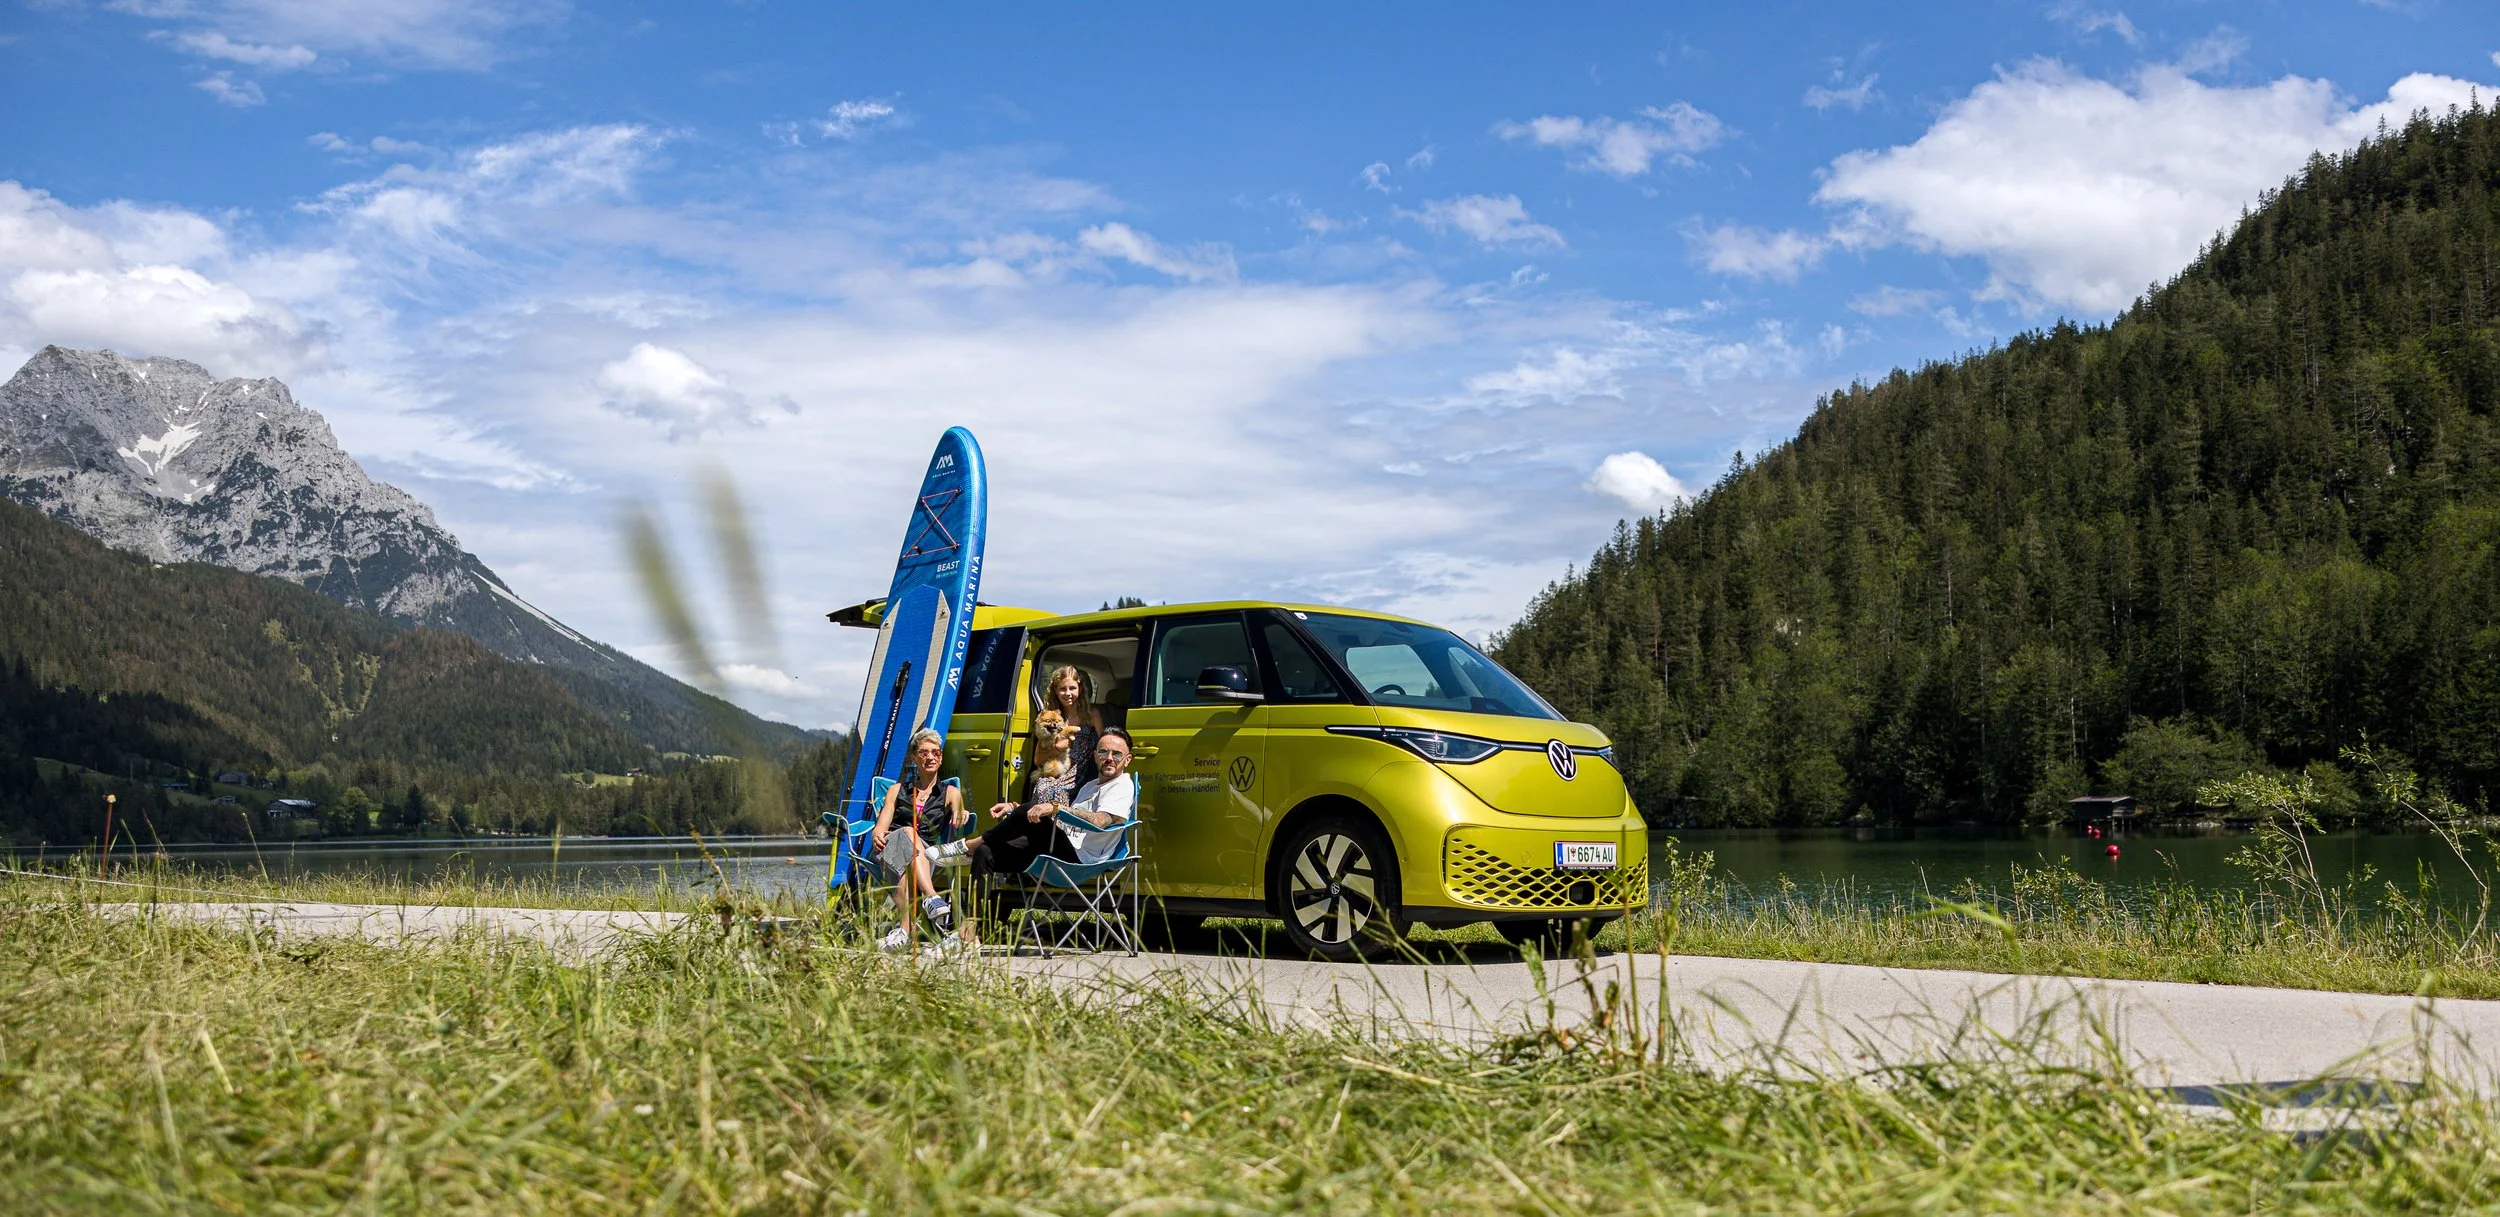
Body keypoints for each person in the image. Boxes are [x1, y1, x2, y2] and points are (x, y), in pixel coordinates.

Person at [869, 727, 969, 951]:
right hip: (890, 847)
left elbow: (961, 812)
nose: (930, 757)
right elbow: (881, 827)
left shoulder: (951, 792)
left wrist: (961, 814)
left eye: (935, 752)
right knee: (906, 832)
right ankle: (931, 896)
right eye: (923, 752)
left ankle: (903, 932)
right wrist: (877, 834)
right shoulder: (896, 791)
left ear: (941, 758)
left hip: (924, 856)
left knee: (909, 859)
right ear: (914, 757)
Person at [1041, 664, 1103, 787]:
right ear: (1055, 690)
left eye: (1072, 688)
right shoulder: (1051, 718)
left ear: (1080, 689)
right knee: (1045, 787)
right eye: (1063, 688)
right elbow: (1038, 760)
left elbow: (1105, 745)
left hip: (1086, 775)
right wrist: (1057, 748)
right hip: (1059, 774)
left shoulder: (1092, 715)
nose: (1068, 693)